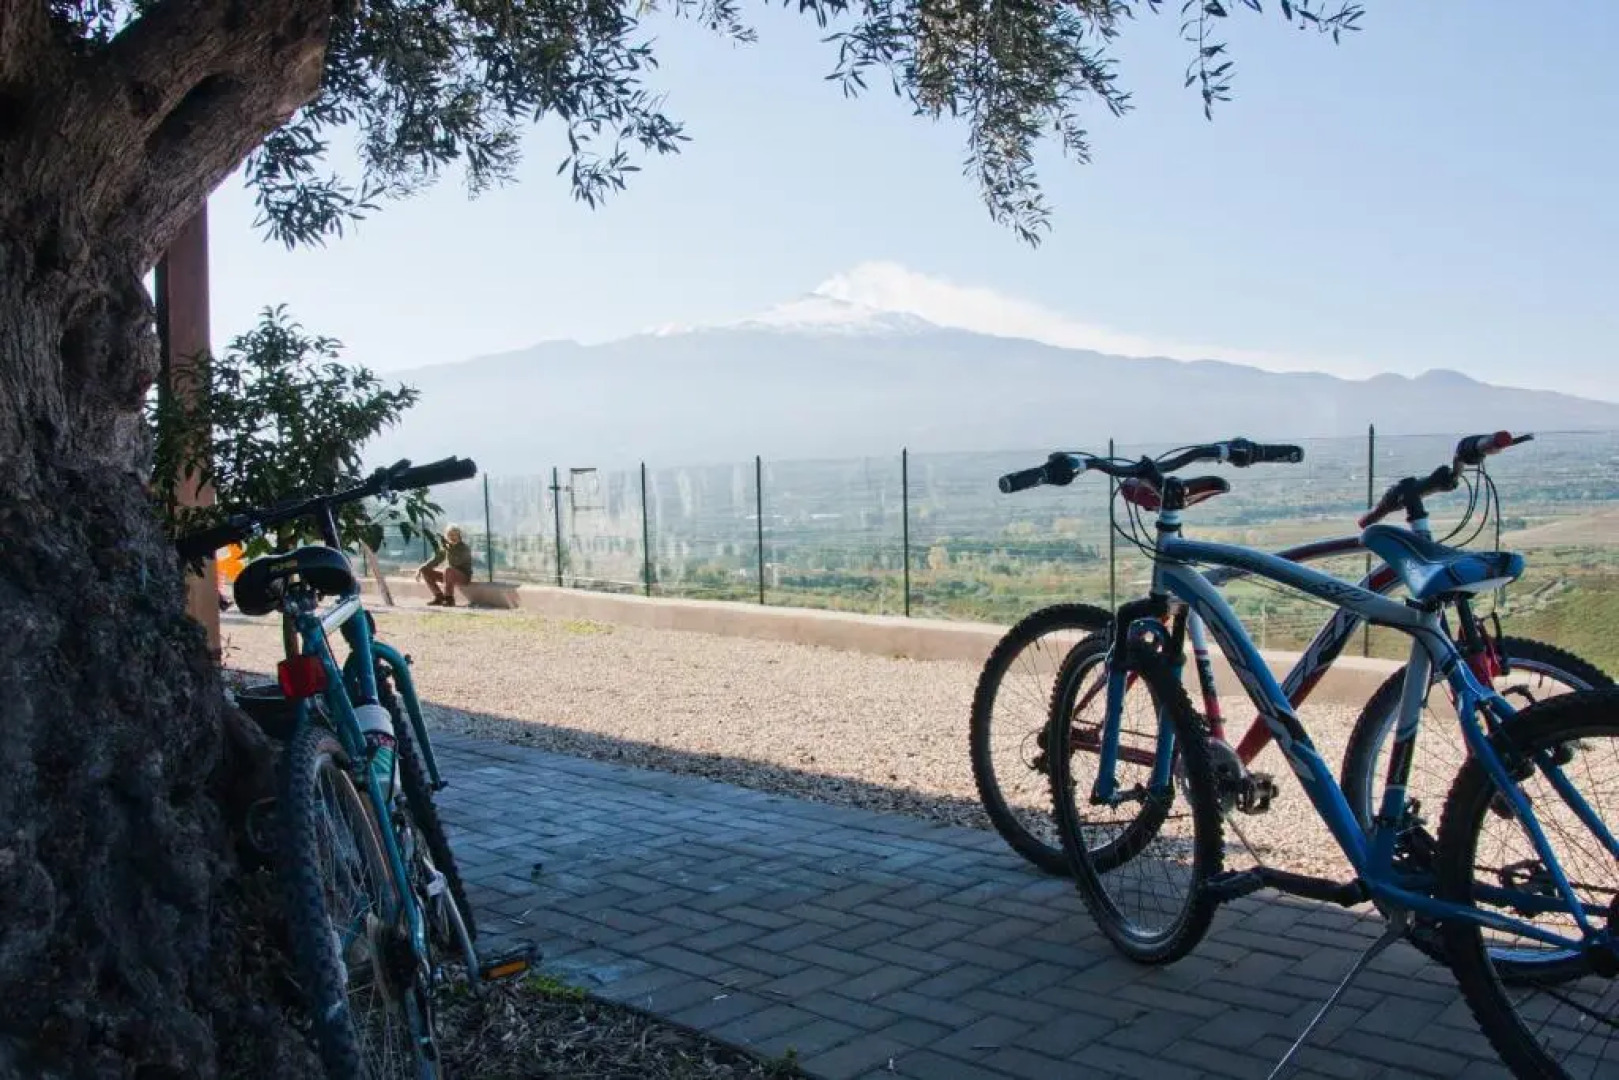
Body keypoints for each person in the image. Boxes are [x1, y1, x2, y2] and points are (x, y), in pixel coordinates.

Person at [417, 526, 475, 606]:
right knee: (425, 570)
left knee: (448, 570)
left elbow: (457, 562)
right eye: (450, 535)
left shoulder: (464, 548)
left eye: (454, 535)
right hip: (448, 576)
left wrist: (448, 549)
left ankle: (449, 598)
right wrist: (421, 568)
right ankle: (439, 597)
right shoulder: (447, 547)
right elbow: (436, 559)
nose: (452, 537)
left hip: (463, 577)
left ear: (459, 536)